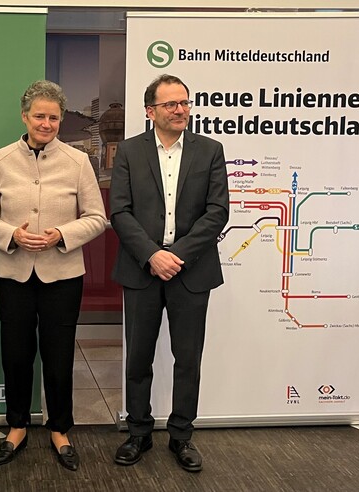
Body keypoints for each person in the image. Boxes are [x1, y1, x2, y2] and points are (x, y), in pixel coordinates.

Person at [0, 80, 106, 472]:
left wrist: (62, 234)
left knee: (59, 355)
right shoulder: (0, 160)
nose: (46, 123)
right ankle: (17, 426)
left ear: (61, 120)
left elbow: (97, 218)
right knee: (16, 354)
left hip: (62, 275)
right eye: (39, 116)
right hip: (12, 272)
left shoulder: (78, 161)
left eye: (53, 117)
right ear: (24, 117)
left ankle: (60, 429)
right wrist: (11, 235)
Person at [109, 74, 229, 472]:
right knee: (138, 358)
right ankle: (138, 432)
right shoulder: (129, 151)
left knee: (188, 359)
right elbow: (119, 211)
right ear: (150, 111)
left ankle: (181, 436)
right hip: (141, 270)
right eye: (171, 104)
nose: (181, 110)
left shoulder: (210, 150)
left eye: (184, 103)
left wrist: (175, 255)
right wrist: (151, 255)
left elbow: (217, 212)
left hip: (191, 271)